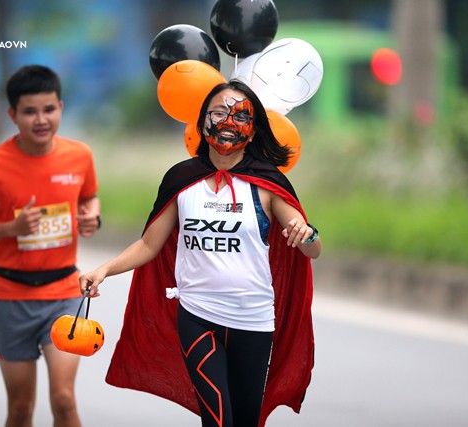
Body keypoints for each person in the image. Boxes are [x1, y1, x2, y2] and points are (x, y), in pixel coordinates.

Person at [80, 79, 321, 427]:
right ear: (202, 122)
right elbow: (150, 244)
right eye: (219, 112)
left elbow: (311, 249)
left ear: (252, 132)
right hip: (197, 315)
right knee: (218, 419)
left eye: (240, 116)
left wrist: (308, 234)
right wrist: (102, 270)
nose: (227, 122)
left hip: (253, 321)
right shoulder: (182, 179)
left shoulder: (268, 183)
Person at [0, 64, 101, 427]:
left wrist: (92, 217)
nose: (41, 119)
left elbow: (89, 198)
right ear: (12, 115)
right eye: (30, 111)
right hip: (9, 297)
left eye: (49, 109)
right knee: (21, 409)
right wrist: (13, 227)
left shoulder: (80, 155)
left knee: (64, 399)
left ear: (61, 108)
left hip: (63, 294)